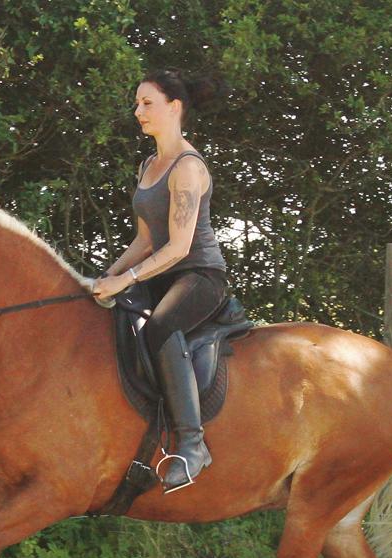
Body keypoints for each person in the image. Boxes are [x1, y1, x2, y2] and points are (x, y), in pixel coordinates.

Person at [93, 68, 228, 493]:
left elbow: (179, 248)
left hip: (199, 275)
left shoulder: (188, 167)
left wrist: (126, 279)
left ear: (174, 107)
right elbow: (146, 240)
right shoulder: (149, 165)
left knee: (159, 326)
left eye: (147, 103)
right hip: (160, 272)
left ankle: (192, 444)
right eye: (137, 103)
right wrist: (107, 276)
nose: (138, 111)